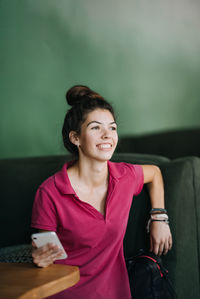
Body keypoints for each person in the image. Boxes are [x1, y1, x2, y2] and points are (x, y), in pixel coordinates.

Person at [31, 85, 172, 299]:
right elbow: (43, 250)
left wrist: (159, 217)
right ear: (75, 138)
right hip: (64, 293)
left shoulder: (124, 176)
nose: (107, 135)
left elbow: (155, 173)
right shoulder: (50, 191)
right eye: (96, 128)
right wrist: (40, 258)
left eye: (113, 128)